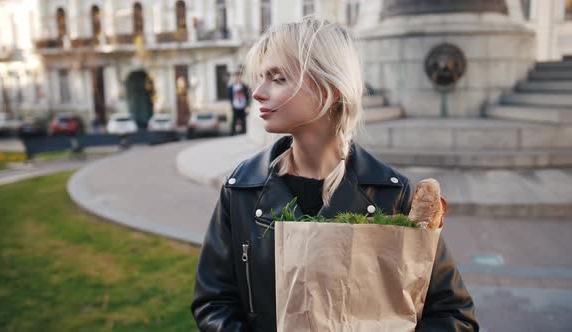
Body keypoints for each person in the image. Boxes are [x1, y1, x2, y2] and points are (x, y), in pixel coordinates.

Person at [191, 16, 479, 332]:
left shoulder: (392, 195)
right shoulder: (242, 190)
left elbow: (454, 314)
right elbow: (213, 303)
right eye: (260, 77)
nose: (257, 92)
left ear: (332, 87)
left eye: (278, 78)